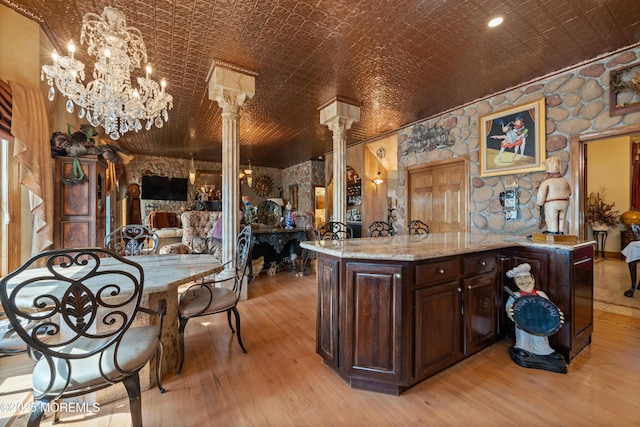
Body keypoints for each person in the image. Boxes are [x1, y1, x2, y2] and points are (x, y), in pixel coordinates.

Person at [505, 263, 567, 373]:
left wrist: (556, 316)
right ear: (515, 282)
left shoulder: (540, 294)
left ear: (532, 279)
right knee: (523, 335)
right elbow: (509, 309)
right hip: (523, 324)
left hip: (539, 322)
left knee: (540, 337)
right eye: (519, 279)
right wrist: (510, 312)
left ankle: (545, 351)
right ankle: (523, 348)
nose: (524, 282)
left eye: (526, 278)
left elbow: (550, 308)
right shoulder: (515, 296)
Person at [536, 156, 571, 234]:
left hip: (551, 204)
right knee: (561, 219)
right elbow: (569, 192)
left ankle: (553, 233)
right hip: (564, 203)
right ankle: (561, 232)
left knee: (552, 220)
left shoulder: (547, 182)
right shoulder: (565, 181)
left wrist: (539, 203)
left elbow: (541, 194)